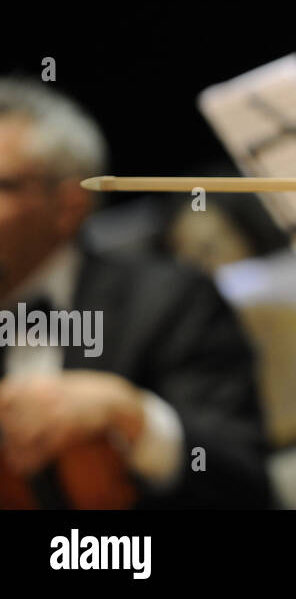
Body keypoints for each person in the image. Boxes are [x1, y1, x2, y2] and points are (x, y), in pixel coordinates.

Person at [0, 77, 272, 508]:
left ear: (69, 206)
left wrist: (134, 416)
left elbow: (244, 483)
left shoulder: (174, 300)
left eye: (2, 186)